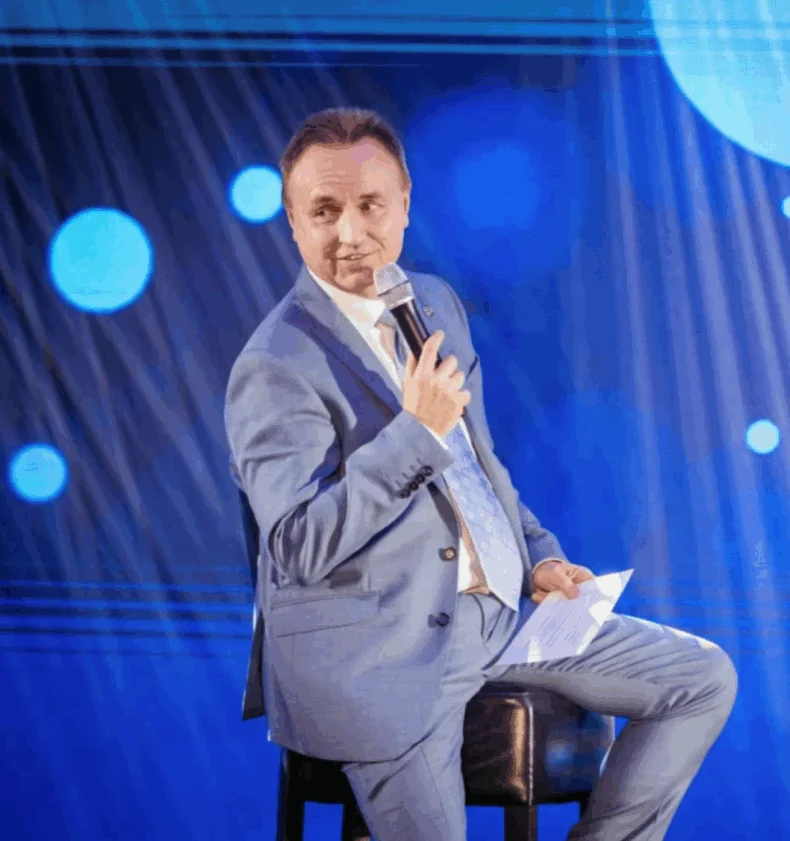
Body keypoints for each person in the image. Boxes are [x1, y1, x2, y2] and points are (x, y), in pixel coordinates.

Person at [224, 106, 737, 841]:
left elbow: (477, 471)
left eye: (370, 205)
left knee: (703, 678)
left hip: (496, 618)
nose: (349, 233)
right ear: (293, 220)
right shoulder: (274, 366)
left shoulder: (430, 302)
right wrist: (414, 433)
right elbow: (298, 544)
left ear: (404, 203)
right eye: (324, 211)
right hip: (382, 653)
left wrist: (539, 558)